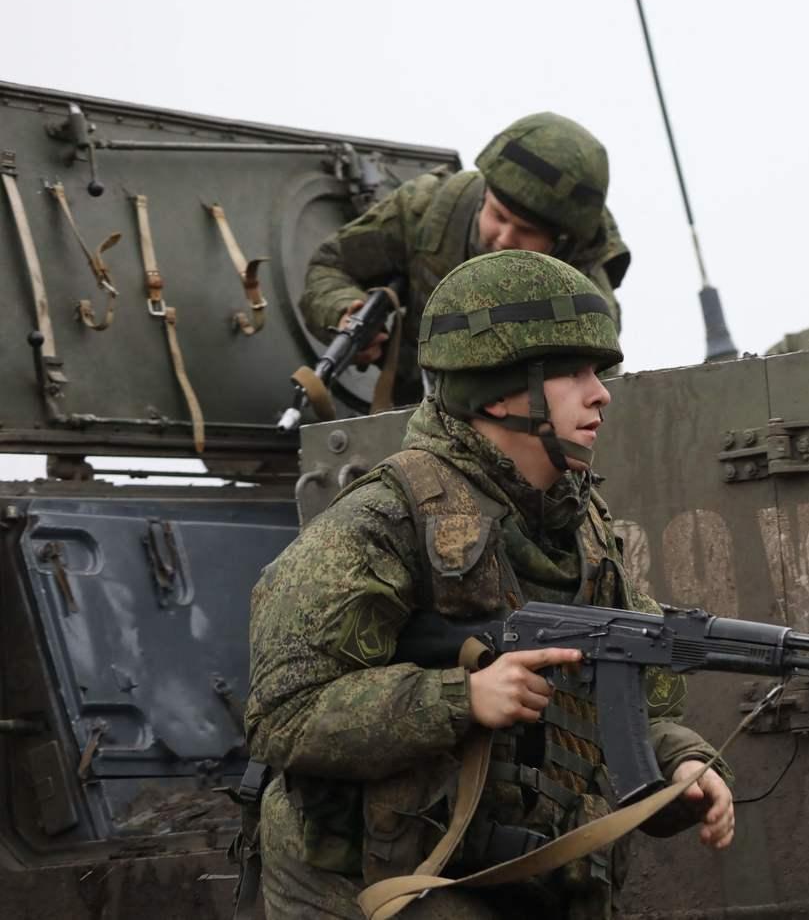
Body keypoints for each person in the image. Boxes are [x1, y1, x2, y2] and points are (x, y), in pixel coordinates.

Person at [246, 250, 732, 920]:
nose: (601, 392)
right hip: (374, 891)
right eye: (572, 373)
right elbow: (283, 713)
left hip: (519, 878)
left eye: (599, 371)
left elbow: (622, 701)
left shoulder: (578, 527)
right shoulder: (383, 519)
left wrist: (682, 764)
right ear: (499, 392)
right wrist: (461, 696)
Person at [299, 112, 632, 405]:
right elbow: (330, 265)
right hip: (415, 414)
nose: (504, 238)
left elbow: (591, 397)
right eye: (498, 216)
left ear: (561, 241)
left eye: (526, 231)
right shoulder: (428, 211)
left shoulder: (586, 297)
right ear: (485, 190)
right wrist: (344, 310)